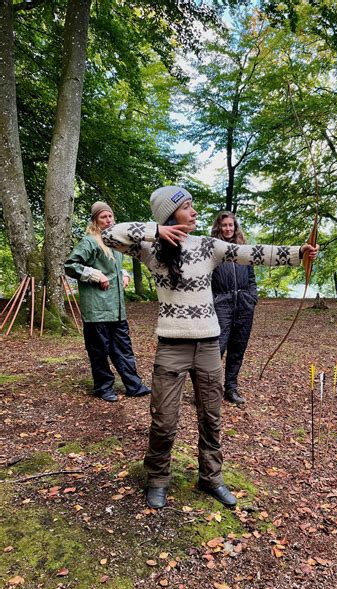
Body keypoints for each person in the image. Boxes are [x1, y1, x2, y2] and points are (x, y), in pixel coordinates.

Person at [101, 186, 319, 510]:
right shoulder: (151, 250)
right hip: (171, 347)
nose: (194, 212)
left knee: (211, 416)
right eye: (187, 207)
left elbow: (252, 253)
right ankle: (158, 478)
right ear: (169, 214)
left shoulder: (207, 246)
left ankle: (211, 477)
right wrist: (156, 230)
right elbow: (109, 235)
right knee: (164, 420)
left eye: (192, 206)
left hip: (207, 344)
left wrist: (298, 253)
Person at [64, 201, 151, 402]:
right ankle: (104, 388)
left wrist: (124, 272)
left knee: (124, 349)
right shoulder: (90, 241)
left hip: (117, 308)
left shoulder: (114, 242)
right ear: (95, 220)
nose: (108, 220)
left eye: (110, 216)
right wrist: (95, 275)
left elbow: (113, 265)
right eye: (103, 217)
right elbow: (71, 265)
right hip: (96, 309)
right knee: (99, 350)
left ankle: (133, 385)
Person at [211, 212, 257, 404]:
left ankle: (231, 388)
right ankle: (209, 391)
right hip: (222, 304)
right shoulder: (213, 249)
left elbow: (252, 277)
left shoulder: (243, 250)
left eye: (231, 225)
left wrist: (252, 297)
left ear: (235, 227)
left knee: (238, 349)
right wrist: (214, 300)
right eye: (224, 225)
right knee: (216, 349)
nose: (228, 229)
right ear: (218, 227)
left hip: (244, 305)